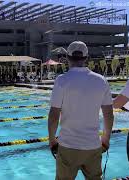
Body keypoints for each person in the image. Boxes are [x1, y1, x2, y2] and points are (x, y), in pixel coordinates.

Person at [48, 41, 114, 179]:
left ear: (67, 57)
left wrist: (52, 140)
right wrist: (106, 138)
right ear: (86, 57)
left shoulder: (62, 80)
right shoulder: (101, 80)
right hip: (93, 146)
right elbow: (109, 114)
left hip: (68, 146)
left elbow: (54, 115)